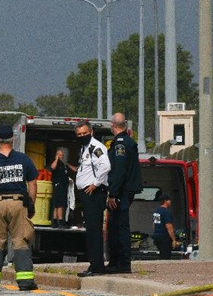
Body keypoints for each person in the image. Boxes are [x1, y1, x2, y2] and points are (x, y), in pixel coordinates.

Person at [0, 124, 38, 292]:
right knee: (21, 240)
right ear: (12, 139)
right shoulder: (24, 160)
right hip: (19, 203)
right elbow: (32, 183)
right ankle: (25, 282)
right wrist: (30, 204)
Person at [69, 120, 110, 277]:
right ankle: (94, 264)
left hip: (94, 193)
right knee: (91, 231)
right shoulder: (84, 148)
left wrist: (95, 184)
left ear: (91, 132)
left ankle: (96, 266)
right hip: (87, 194)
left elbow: (105, 166)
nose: (82, 136)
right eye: (79, 134)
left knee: (94, 231)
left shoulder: (96, 147)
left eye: (84, 133)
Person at [106, 112, 142, 273]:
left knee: (119, 227)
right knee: (116, 226)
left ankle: (122, 263)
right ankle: (117, 262)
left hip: (120, 192)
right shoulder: (128, 142)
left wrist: (113, 193)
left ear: (112, 125)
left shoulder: (120, 143)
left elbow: (119, 170)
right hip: (124, 190)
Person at [150, 190, 177, 260]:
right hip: (164, 237)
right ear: (165, 201)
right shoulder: (166, 212)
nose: (171, 202)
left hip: (157, 236)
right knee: (166, 256)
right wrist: (174, 239)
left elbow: (154, 224)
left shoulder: (156, 211)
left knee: (161, 255)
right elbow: (169, 227)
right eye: (169, 200)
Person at [48, 147, 71, 228]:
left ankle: (54, 222)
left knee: (57, 204)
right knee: (60, 205)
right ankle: (61, 222)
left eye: (62, 155)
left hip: (63, 186)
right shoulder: (56, 163)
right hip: (59, 186)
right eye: (59, 155)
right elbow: (52, 167)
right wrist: (56, 159)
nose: (61, 156)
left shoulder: (63, 165)